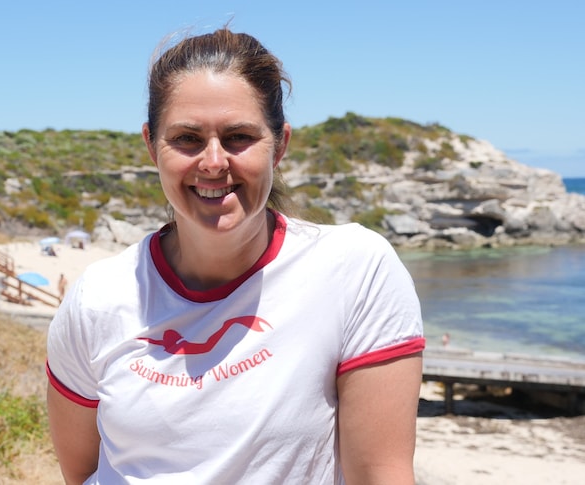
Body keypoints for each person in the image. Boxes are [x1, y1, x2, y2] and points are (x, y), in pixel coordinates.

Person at [46, 27, 425, 485]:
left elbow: (380, 474)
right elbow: (83, 471)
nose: (213, 162)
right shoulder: (96, 298)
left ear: (279, 145)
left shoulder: (354, 269)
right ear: (151, 145)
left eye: (238, 136)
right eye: (187, 138)